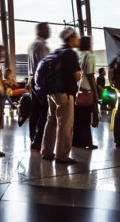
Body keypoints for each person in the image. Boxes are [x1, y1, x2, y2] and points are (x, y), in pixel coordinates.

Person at [41, 27, 81, 164]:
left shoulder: (57, 52)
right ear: (70, 38)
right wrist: (79, 75)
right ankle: (62, 155)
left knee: (51, 121)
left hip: (52, 92)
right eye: (76, 36)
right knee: (65, 124)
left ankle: (46, 151)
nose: (78, 39)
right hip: (65, 93)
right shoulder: (70, 53)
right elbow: (76, 76)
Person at [27, 22, 51, 150]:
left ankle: (33, 138)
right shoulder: (41, 45)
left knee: (34, 111)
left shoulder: (32, 45)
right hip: (41, 82)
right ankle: (39, 139)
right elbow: (44, 66)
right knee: (45, 111)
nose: (49, 31)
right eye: (47, 29)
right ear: (41, 30)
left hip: (32, 80)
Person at [73, 36, 99, 149]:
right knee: (86, 117)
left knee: (78, 118)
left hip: (77, 89)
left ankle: (76, 141)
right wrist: (95, 91)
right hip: (87, 89)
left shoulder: (78, 55)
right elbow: (91, 75)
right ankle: (87, 142)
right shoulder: (90, 55)